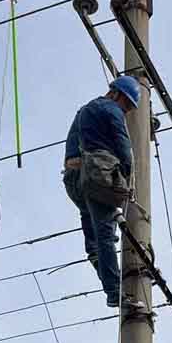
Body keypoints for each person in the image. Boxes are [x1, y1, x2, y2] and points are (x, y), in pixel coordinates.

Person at [63, 75, 139, 308]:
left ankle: (101, 266)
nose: (125, 111)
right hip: (98, 178)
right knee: (106, 236)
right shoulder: (112, 110)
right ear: (116, 94)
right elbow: (124, 147)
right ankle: (115, 292)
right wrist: (128, 179)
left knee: (94, 239)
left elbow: (71, 149)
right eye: (126, 105)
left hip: (75, 181)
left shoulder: (83, 111)